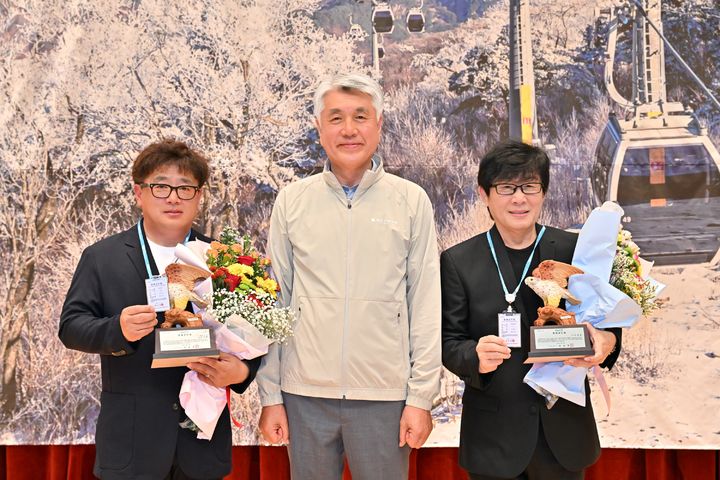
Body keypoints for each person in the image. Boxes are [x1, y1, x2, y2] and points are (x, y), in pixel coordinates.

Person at [257, 73, 442, 480]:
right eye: (336, 117)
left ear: (379, 124)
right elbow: (275, 302)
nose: (349, 129)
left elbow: (425, 302)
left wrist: (421, 397)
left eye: (361, 116)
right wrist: (271, 393)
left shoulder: (410, 200)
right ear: (319, 127)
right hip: (304, 393)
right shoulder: (292, 200)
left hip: (384, 395)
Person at [59, 139, 260, 480]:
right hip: (133, 441)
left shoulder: (224, 259)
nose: (173, 197)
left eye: (185, 188)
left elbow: (254, 333)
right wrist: (117, 329)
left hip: (201, 439)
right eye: (161, 186)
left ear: (200, 196)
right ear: (139, 193)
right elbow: (71, 327)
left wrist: (242, 373)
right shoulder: (102, 257)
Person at [440, 140, 622, 480]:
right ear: (484, 194)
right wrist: (474, 354)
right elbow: (449, 343)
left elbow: (607, 327)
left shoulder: (575, 250)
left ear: (543, 192)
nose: (519, 198)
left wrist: (606, 342)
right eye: (507, 187)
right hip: (493, 437)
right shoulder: (458, 261)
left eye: (530, 186)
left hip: (563, 434)